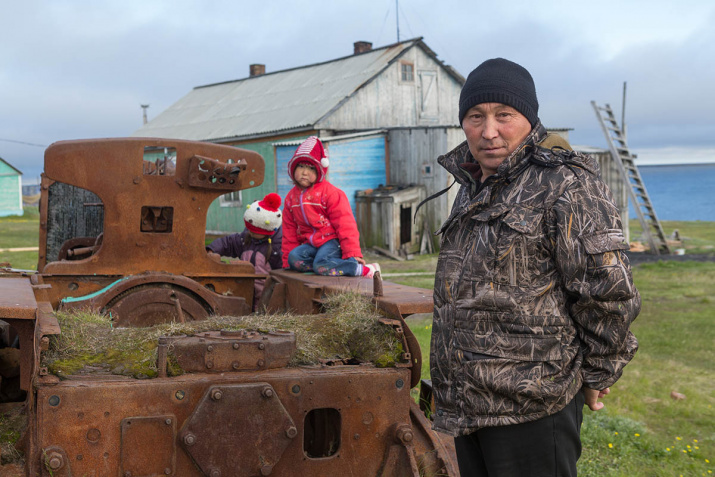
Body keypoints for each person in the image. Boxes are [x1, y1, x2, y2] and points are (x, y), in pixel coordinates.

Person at [429, 58, 641, 476]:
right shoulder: (473, 185)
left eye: (503, 115)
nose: (488, 131)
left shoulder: (565, 183)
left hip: (532, 405)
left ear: (529, 118)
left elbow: (607, 289)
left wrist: (601, 370)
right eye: (475, 117)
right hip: (467, 403)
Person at [282, 136, 380, 278]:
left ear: (319, 171)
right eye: (301, 166)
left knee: (321, 264)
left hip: (332, 242)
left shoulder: (330, 193)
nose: (304, 172)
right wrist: (287, 262)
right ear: (293, 168)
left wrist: (352, 252)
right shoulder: (291, 198)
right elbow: (289, 231)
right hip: (311, 244)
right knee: (294, 258)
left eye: (311, 168)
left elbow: (345, 223)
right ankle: (322, 267)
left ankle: (363, 270)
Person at [207, 192, 283, 309]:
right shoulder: (245, 239)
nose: (249, 232)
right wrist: (211, 250)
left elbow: (281, 276)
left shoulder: (278, 247)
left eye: (253, 231)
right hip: (247, 293)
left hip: (267, 299)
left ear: (265, 231)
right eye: (249, 229)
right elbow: (228, 243)